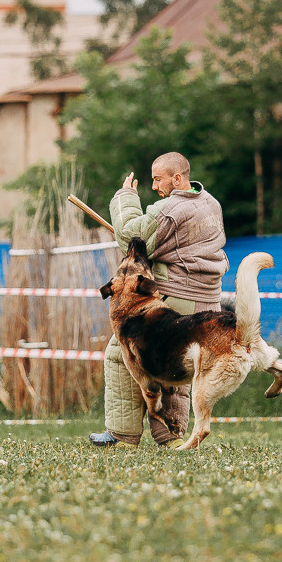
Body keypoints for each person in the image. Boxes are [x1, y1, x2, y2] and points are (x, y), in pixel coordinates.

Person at [89, 152, 228, 448]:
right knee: (174, 363)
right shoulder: (209, 203)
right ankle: (171, 436)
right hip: (207, 299)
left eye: (157, 178)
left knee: (121, 352)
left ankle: (122, 435)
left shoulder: (170, 209)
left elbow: (130, 237)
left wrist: (126, 197)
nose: (153, 186)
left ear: (177, 178)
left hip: (177, 297)